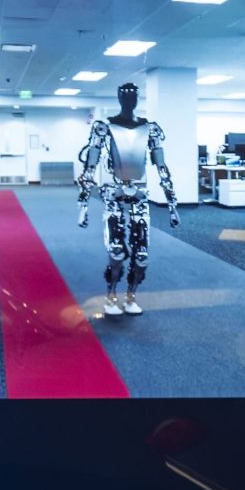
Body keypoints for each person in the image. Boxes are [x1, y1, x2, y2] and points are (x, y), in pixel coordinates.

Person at [76, 80, 180, 315]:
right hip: (113, 191)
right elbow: (89, 168)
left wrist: (172, 204)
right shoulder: (104, 127)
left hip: (140, 193)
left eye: (134, 95)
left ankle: (131, 296)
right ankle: (111, 296)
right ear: (119, 98)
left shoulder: (150, 128)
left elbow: (161, 167)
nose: (130, 99)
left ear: (137, 99)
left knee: (141, 256)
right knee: (116, 252)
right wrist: (83, 205)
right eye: (125, 95)